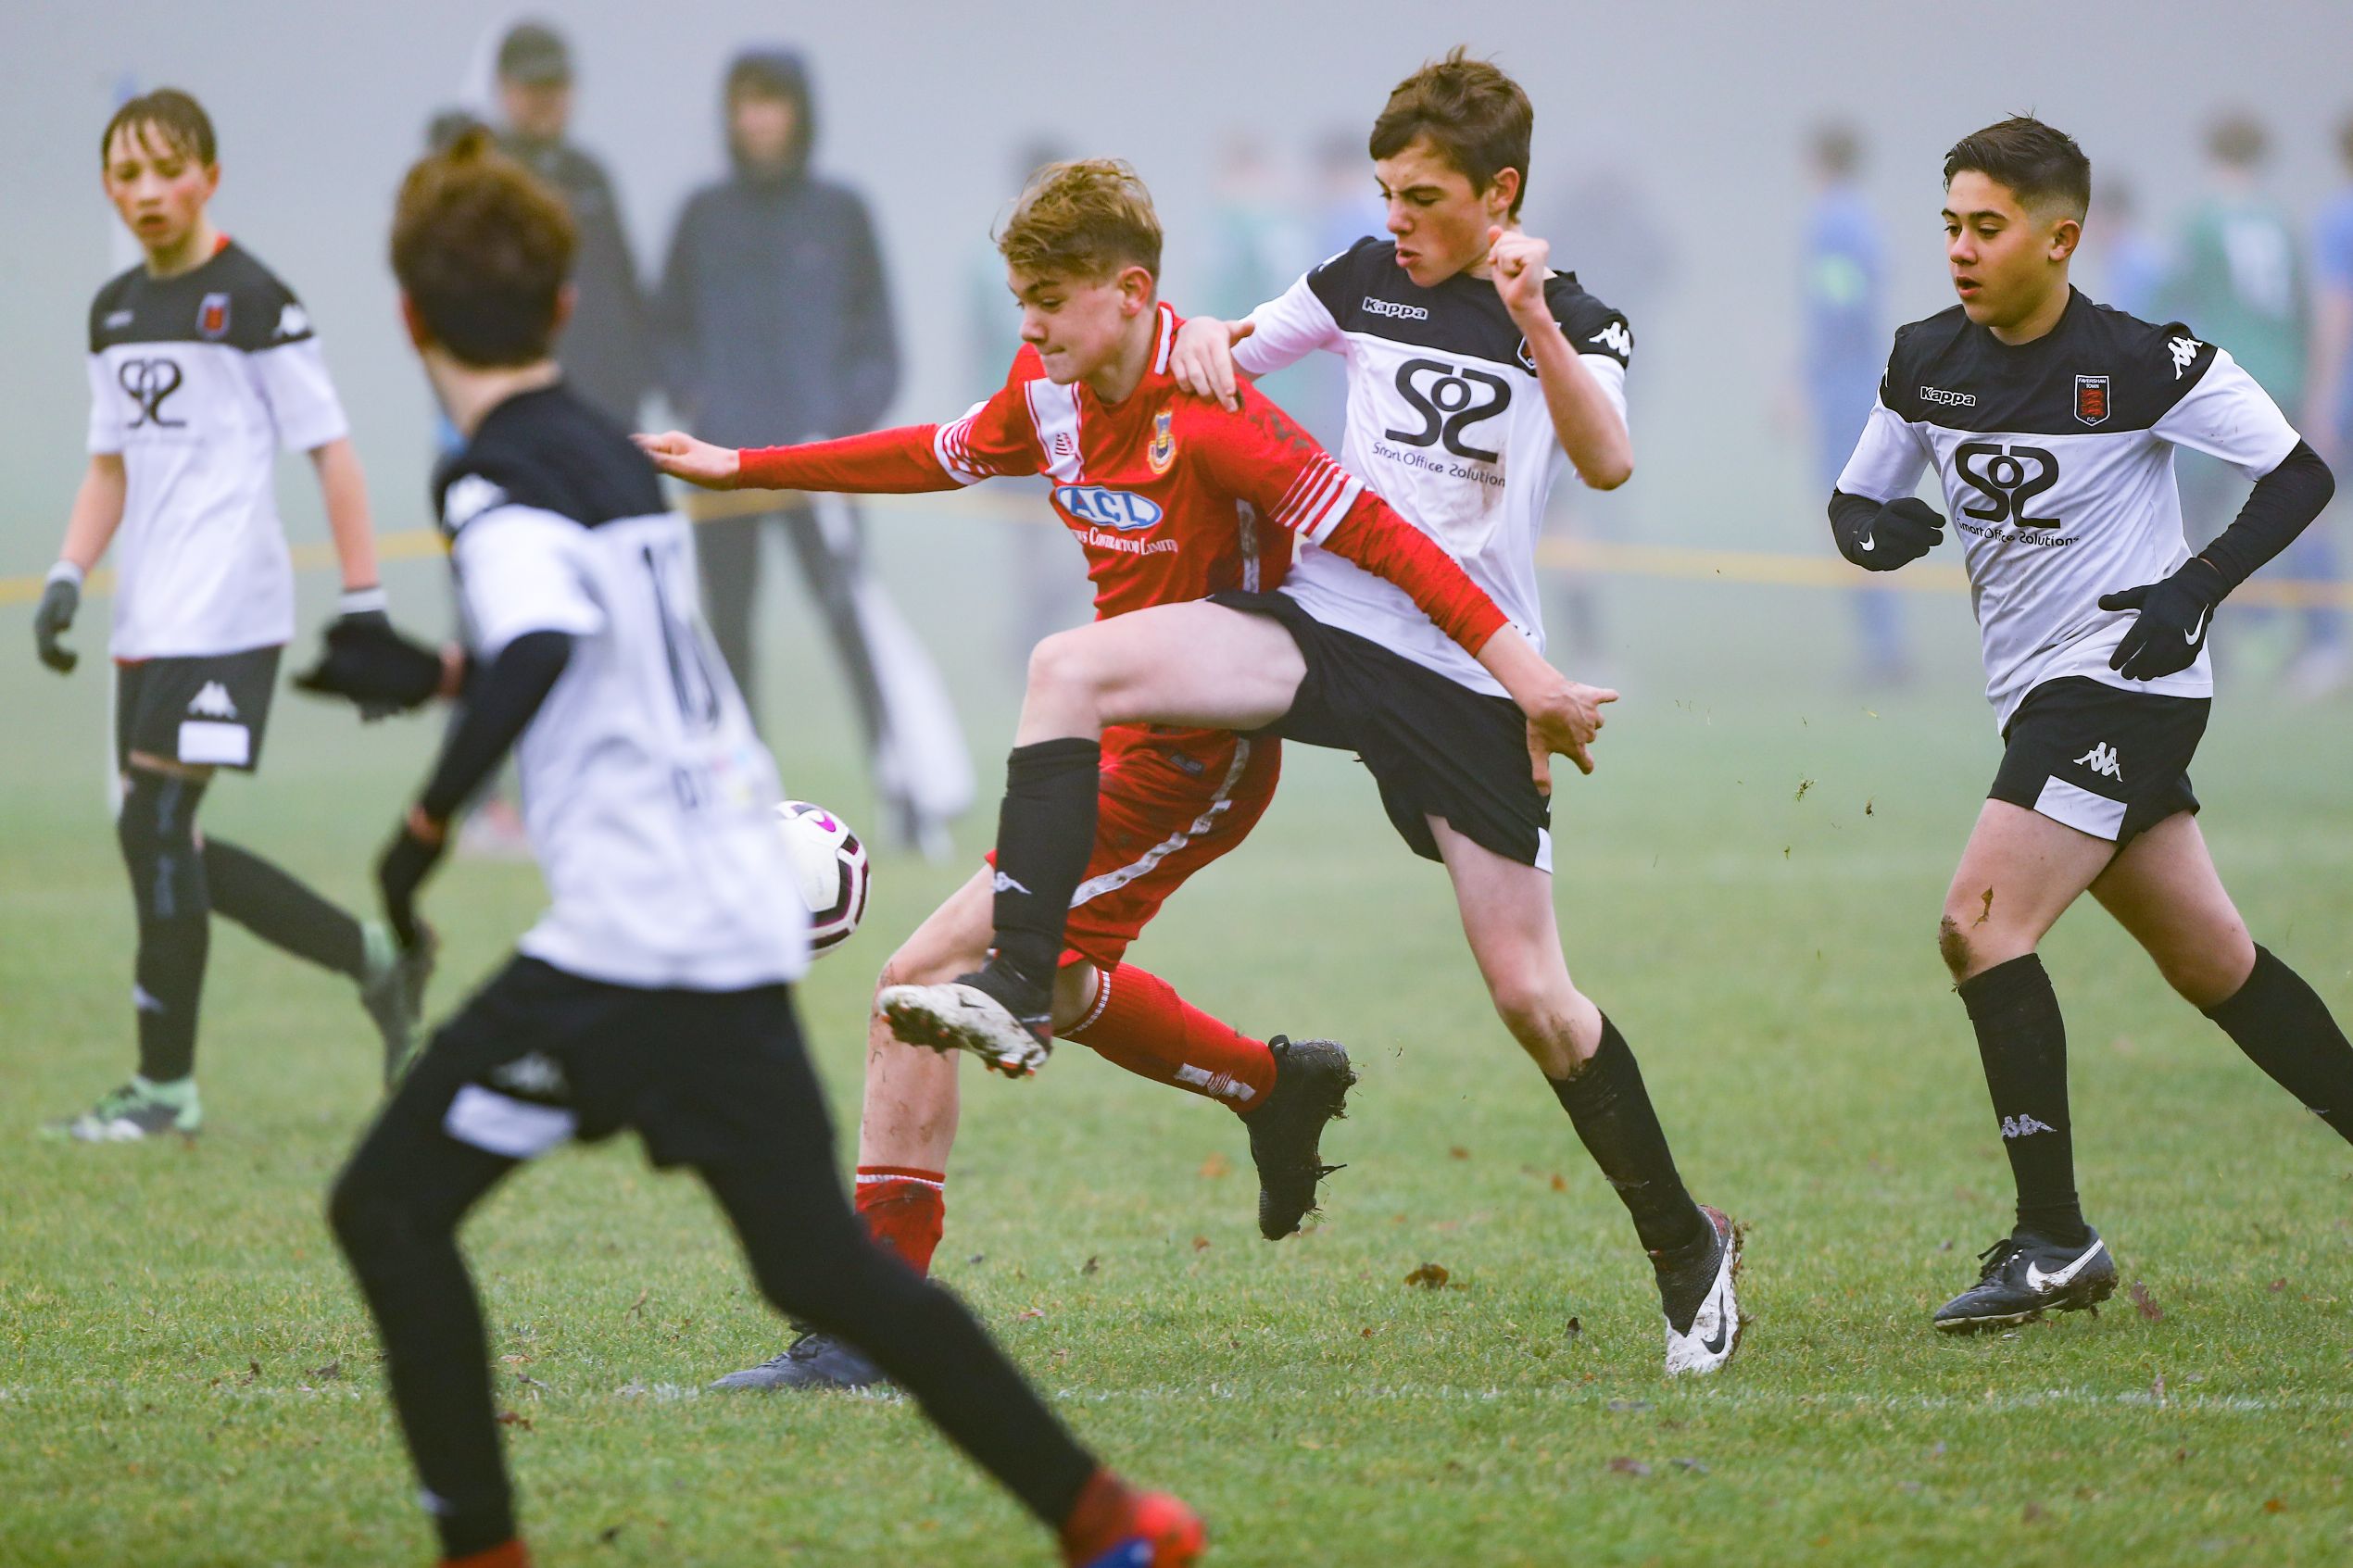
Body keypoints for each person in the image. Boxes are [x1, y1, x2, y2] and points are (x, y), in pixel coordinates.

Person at [299, 132, 1202, 1568]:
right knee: (819, 1267)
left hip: (630, 935)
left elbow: (541, 644)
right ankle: (1111, 1519)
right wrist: (434, 677)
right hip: (724, 913)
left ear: (410, 320)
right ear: (563, 308)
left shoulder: (494, 477)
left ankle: (483, 1550)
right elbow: (583, 649)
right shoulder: (600, 452)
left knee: (386, 1207)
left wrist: (416, 841)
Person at [641, 157, 1561, 1390]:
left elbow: (1384, 540)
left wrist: (1524, 676)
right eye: (1019, 297)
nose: (1028, 324)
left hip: (1192, 764)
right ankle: (1269, 1086)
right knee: (1061, 977)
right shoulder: (1048, 390)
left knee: (916, 982)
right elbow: (931, 453)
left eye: (1050, 299)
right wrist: (743, 468)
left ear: (1130, 293)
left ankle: (870, 1327)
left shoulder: (1217, 412)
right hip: (1097, 746)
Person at [891, 51, 1745, 1378]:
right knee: (1074, 667)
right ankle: (1017, 971)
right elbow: (1221, 347)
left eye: (1421, 197)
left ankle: (1688, 1243)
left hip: (1466, 675)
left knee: (1533, 998)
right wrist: (1194, 342)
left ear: (1499, 193)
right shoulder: (1356, 279)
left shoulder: (1579, 318)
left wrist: (1532, 318)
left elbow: (1609, 456)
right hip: (1325, 627)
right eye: (1385, 191)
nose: (1394, 218)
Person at [1826, 116, 2351, 1332]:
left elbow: (2301, 475)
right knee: (2215, 963)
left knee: (1978, 924)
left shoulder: (2145, 361)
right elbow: (1858, 498)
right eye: (1950, 225)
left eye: (1987, 227)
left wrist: (2194, 586)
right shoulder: (1922, 359)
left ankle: (2055, 1240)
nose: (1960, 249)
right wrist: (1868, 531)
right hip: (2039, 698)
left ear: (2060, 240)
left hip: (2123, 685)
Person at [33, 89, 427, 1141]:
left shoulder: (254, 299)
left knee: (155, 826)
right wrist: (69, 572)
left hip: (231, 609)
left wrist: (365, 605)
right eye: (128, 175)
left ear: (209, 176)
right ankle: (372, 958)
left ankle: (164, 1091)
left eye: (170, 170)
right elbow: (109, 466)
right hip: (147, 614)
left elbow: (333, 454)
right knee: (163, 842)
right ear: (108, 187)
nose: (149, 192)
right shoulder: (113, 310)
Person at [653, 48, 967, 855]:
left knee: (854, 622)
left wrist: (841, 427)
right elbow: (668, 330)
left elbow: (879, 345)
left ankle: (908, 794)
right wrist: (696, 400)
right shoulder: (702, 216)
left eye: (773, 101)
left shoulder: (840, 213)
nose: (759, 118)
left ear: (799, 111)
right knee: (727, 633)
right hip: (721, 467)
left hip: (822, 465)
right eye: (746, 102)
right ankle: (740, 806)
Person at [2160, 115, 2337, 685]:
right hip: (2285, 376)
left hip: (2230, 383)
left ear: (2210, 152)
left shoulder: (2201, 223)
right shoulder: (2280, 222)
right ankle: (2322, 643)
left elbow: (2168, 302)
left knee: (2191, 510)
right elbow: (2305, 311)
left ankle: (2212, 638)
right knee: (2295, 507)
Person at [487, 20, 652, 430]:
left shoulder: (590, 175)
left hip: (606, 403)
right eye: (533, 86)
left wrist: (637, 377)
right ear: (504, 89)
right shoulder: (484, 178)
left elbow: (625, 284)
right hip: (515, 403)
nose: (546, 100)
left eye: (556, 85)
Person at [1800, 123, 1906, 685]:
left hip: (1846, 391)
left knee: (1851, 513)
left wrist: (1805, 379)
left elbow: (1840, 308)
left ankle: (1883, 649)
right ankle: (1883, 645)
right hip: (1862, 383)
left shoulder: (1833, 224)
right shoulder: (1862, 219)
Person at [2298, 114, 2353, 697]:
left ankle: (2327, 647)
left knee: (2311, 512)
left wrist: (2321, 397)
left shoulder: (2340, 217)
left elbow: (2338, 309)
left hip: (2348, 398)